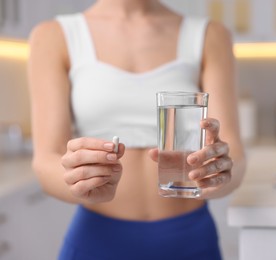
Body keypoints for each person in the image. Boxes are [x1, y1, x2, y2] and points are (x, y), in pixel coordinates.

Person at [28, 0, 246, 259]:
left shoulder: (211, 35)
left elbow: (234, 157)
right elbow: (45, 161)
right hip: (97, 242)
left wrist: (218, 176)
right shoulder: (53, 36)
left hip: (191, 241)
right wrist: (78, 182)